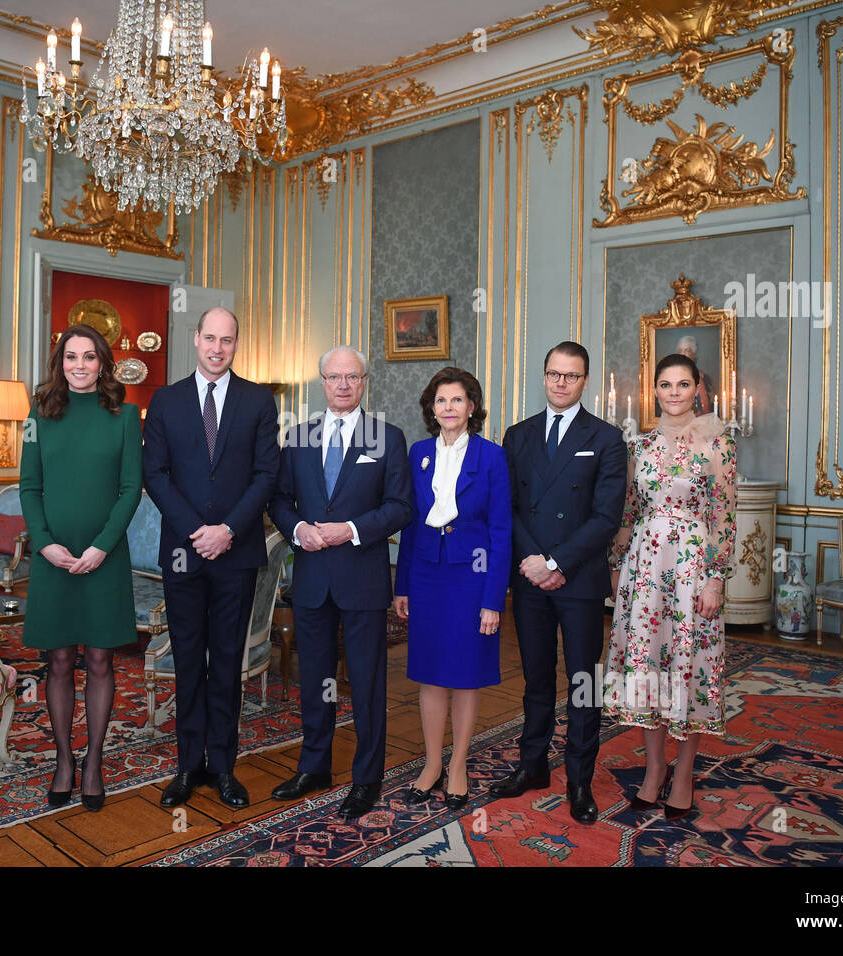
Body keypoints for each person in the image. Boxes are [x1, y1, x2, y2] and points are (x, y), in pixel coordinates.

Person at [142, 307, 279, 810]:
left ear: (236, 344)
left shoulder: (258, 400)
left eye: (228, 340)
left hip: (236, 553)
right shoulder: (166, 400)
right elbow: (154, 474)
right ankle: (186, 767)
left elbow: (267, 475)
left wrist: (227, 531)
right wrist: (197, 531)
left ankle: (223, 767)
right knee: (187, 663)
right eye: (210, 339)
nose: (218, 348)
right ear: (195, 339)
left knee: (226, 665)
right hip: (183, 553)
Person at [267, 346, 411, 819]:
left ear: (365, 381)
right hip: (311, 579)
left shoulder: (387, 437)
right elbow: (281, 500)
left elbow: (399, 508)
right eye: (334, 377)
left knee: (367, 682)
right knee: (316, 680)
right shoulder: (300, 437)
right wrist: (296, 529)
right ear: (321, 381)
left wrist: (349, 530)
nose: (343, 385)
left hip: (362, 579)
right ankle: (315, 766)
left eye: (352, 377)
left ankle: (367, 777)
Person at [488, 341, 627, 824]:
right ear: (543, 377)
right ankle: (533, 766)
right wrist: (532, 560)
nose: (561, 382)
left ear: (585, 380)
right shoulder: (517, 435)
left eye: (571, 375)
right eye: (553, 374)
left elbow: (607, 515)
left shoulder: (606, 437)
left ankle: (580, 780)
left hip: (579, 578)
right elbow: (507, 507)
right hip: (530, 578)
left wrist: (556, 561)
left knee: (583, 682)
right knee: (536, 678)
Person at [604, 352, 736, 819]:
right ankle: (654, 769)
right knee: (648, 669)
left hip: (691, 569)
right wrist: (617, 564)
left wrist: (715, 579)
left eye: (683, 384)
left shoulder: (718, 443)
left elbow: (723, 516)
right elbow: (628, 512)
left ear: (697, 387)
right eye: (665, 384)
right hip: (644, 568)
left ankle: (684, 775)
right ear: (654, 389)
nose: (674, 393)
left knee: (689, 669)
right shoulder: (639, 445)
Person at [19, 323, 143, 812]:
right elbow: (29, 487)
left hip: (104, 558)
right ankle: (64, 760)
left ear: (102, 363)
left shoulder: (125, 415)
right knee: (60, 661)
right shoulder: (38, 414)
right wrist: (44, 545)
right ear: (60, 363)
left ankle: (93, 761)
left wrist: (102, 547)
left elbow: (131, 489)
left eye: (89, 357)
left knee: (99, 660)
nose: (80, 366)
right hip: (54, 559)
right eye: (71, 357)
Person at [392, 367, 511, 810]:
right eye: (441, 401)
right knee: (429, 672)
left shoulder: (492, 456)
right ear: (432, 408)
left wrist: (492, 600)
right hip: (426, 575)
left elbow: (501, 531)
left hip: (472, 578)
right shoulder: (418, 453)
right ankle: (430, 763)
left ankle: (458, 763)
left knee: (464, 675)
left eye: (457, 400)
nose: (448, 408)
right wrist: (402, 585)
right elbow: (408, 524)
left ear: (472, 407)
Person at [675, 334, 715, 416]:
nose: (683, 354)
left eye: (687, 350)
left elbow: (707, 410)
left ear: (694, 354)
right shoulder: (668, 378)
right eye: (680, 351)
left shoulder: (704, 379)